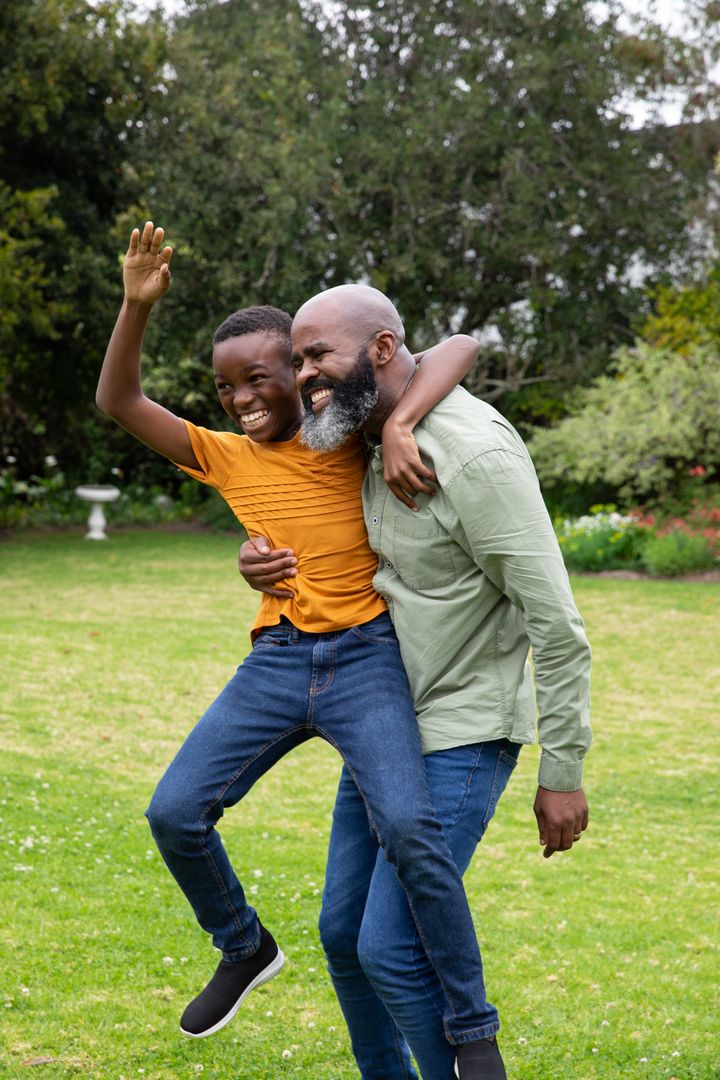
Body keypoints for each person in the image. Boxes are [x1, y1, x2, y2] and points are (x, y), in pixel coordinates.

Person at [96, 221, 506, 1078]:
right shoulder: (224, 456)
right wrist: (136, 308)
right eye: (224, 385)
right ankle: (242, 947)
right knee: (173, 813)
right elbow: (120, 404)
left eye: (259, 378)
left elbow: (460, 344)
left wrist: (404, 425)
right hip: (279, 661)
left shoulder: (346, 434)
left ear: (304, 377)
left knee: (408, 827)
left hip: (367, 661)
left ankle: (471, 1028)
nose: (241, 397)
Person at [239, 283, 592, 1080]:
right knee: (340, 933)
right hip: (384, 723)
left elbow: (559, 627)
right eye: (296, 359)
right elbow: (455, 347)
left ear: (384, 351)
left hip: (463, 730)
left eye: (316, 354)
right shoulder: (357, 431)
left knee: (391, 947)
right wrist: (256, 560)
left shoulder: (475, 457)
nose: (302, 375)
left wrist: (562, 772)